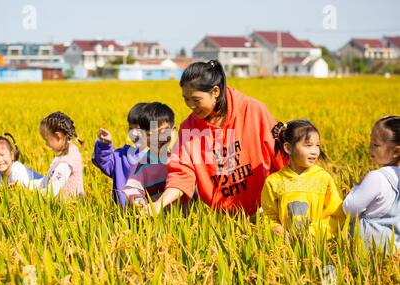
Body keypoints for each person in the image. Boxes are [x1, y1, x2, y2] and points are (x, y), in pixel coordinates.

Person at [150, 60, 285, 215]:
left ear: (215, 92)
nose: (190, 105)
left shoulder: (252, 111)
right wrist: (159, 204)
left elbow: (280, 155)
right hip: (223, 216)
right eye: (186, 99)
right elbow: (181, 173)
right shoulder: (189, 128)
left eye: (196, 99)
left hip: (267, 210)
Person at [261, 120, 345, 238]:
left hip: (318, 249)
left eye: (317, 145)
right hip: (285, 250)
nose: (315, 151)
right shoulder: (274, 182)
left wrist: (311, 233)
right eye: (308, 145)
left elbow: (337, 216)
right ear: (288, 148)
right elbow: (268, 216)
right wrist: (277, 229)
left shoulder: (324, 179)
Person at [343, 116, 400, 251]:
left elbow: (350, 208)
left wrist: (357, 186)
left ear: (396, 151)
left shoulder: (376, 178)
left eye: (375, 144)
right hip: (394, 248)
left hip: (371, 250)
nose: (369, 147)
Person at [91, 103, 149, 209]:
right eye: (131, 128)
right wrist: (105, 145)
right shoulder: (121, 156)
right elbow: (103, 162)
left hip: (149, 217)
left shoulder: (159, 159)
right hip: (122, 217)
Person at [122, 102, 176, 208]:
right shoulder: (143, 164)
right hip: (156, 219)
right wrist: (138, 200)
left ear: (173, 131)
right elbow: (133, 188)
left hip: (186, 218)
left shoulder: (181, 158)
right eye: (150, 135)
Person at [35, 111, 84, 198]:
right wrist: (27, 185)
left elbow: (51, 191)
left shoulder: (66, 163)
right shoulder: (70, 151)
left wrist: (29, 196)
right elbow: (46, 181)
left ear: (57, 136)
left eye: (47, 139)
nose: (46, 144)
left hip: (66, 208)